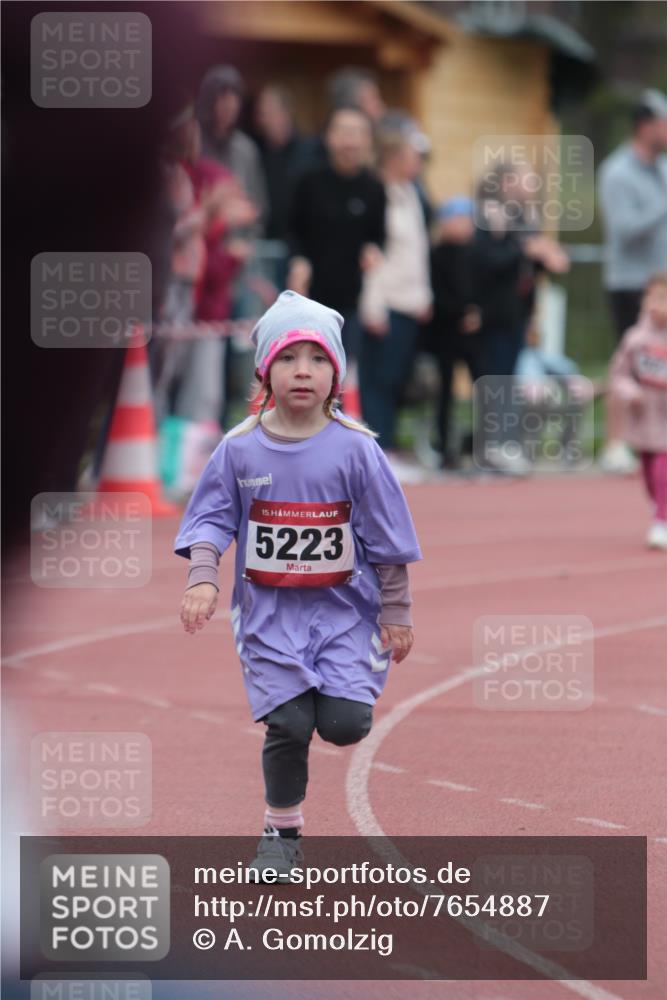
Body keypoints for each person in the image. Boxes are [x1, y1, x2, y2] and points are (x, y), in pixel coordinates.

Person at [174, 291, 422, 878]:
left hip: (345, 614)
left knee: (344, 725)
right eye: (288, 358)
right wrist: (204, 577)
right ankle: (280, 833)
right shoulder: (238, 448)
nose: (302, 371)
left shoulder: (357, 449)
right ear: (265, 370)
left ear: (336, 371)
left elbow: (388, 536)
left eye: (316, 358)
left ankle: (324, 694)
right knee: (287, 724)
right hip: (268, 615)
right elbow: (209, 517)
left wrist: (397, 611)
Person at [598, 88, 667, 473]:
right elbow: (625, 230)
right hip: (631, 283)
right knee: (629, 362)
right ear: (645, 127)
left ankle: (654, 440)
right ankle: (614, 443)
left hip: (663, 284)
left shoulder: (663, 169)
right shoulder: (617, 171)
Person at [287, 105, 386, 362]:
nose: (350, 141)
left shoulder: (374, 188)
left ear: (367, 140)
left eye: (357, 133)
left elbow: (378, 235)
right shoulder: (308, 181)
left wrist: (373, 249)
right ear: (328, 137)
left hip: (354, 300)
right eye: (343, 132)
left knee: (344, 372)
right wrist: (298, 260)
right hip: (308, 296)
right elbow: (291, 229)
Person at [358, 127, 432, 468]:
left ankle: (386, 446)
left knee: (397, 379)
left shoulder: (412, 193)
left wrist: (424, 295)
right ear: (393, 157)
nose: (418, 163)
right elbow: (374, 254)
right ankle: (377, 452)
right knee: (377, 382)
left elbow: (416, 250)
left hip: (409, 301)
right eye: (413, 155)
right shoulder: (378, 194)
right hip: (384, 302)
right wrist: (373, 305)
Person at [608, 272, 667, 549]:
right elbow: (619, 374)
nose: (656, 305)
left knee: (662, 467)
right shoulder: (635, 339)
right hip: (645, 416)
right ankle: (659, 507)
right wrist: (631, 392)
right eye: (652, 298)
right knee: (649, 472)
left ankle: (661, 521)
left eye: (664, 299)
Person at [429, 196, 485, 468]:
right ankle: (443, 446)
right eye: (457, 220)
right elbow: (435, 294)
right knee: (445, 392)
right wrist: (459, 313)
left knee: (484, 386)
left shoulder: (477, 254)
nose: (463, 226)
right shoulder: (436, 255)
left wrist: (478, 313)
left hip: (474, 335)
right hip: (444, 333)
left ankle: (481, 444)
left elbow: (486, 289)